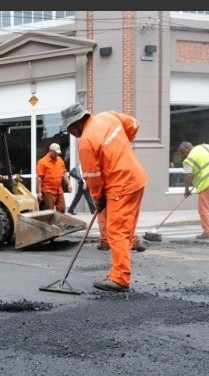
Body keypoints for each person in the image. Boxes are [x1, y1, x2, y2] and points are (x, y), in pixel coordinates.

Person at [60, 103, 149, 292]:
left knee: (116, 232)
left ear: (75, 124)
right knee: (125, 230)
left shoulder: (86, 141)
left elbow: (93, 177)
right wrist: (120, 148)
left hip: (120, 185)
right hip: (136, 179)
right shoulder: (108, 116)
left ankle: (119, 278)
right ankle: (123, 264)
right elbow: (134, 124)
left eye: (69, 129)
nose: (71, 133)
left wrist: (98, 198)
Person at [178, 141, 209, 239]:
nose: (182, 155)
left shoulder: (188, 160)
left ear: (186, 148)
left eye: (182, 152)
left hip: (207, 183)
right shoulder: (204, 147)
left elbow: (188, 176)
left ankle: (208, 232)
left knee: (203, 208)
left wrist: (187, 190)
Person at [35, 143, 70, 212]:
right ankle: (48, 219)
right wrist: (39, 192)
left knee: (62, 208)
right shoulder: (42, 162)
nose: (57, 154)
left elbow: (64, 173)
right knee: (49, 210)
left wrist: (69, 184)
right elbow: (39, 178)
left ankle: (58, 219)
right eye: (56, 153)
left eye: (58, 153)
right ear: (50, 151)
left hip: (59, 190)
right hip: (48, 190)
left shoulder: (60, 160)